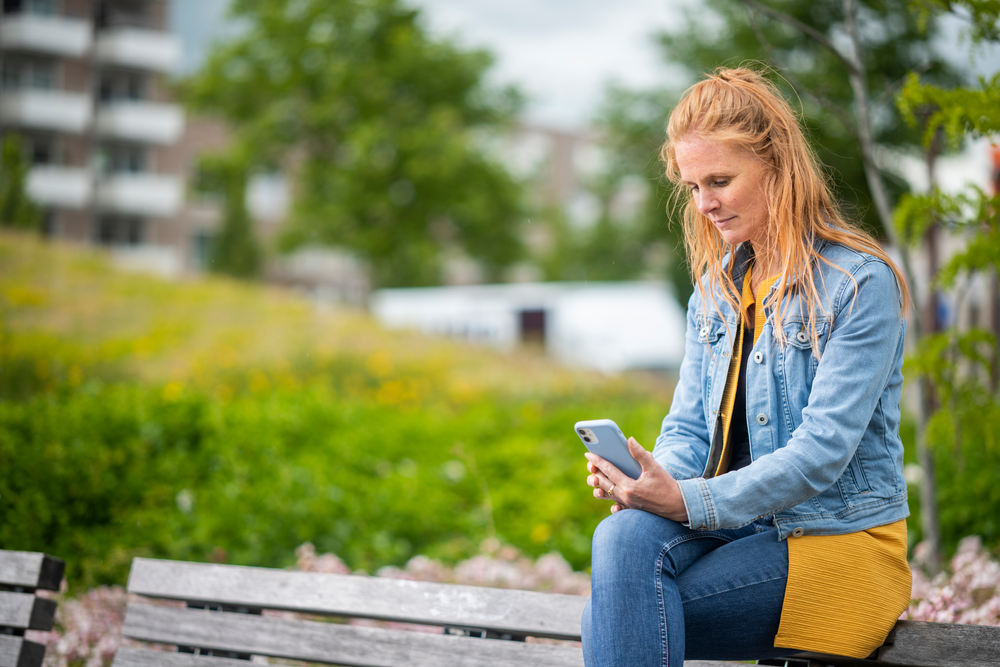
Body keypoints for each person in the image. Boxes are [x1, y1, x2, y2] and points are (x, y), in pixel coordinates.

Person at [581, 67, 913, 667]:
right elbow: (686, 430)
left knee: (619, 608)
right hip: (741, 526)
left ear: (778, 166)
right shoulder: (715, 289)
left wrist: (685, 504)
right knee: (622, 534)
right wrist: (648, 486)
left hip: (835, 540)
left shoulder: (859, 284)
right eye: (692, 186)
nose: (704, 203)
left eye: (720, 180)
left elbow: (821, 453)